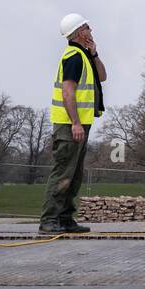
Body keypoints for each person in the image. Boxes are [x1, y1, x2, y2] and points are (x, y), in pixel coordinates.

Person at [40, 13, 107, 234]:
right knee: (63, 173)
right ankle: (50, 220)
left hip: (80, 125)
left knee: (74, 175)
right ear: (80, 32)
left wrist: (94, 53)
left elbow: (103, 76)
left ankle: (65, 218)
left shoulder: (84, 55)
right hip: (69, 126)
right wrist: (75, 123)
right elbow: (67, 91)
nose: (91, 28)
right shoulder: (73, 57)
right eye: (87, 26)